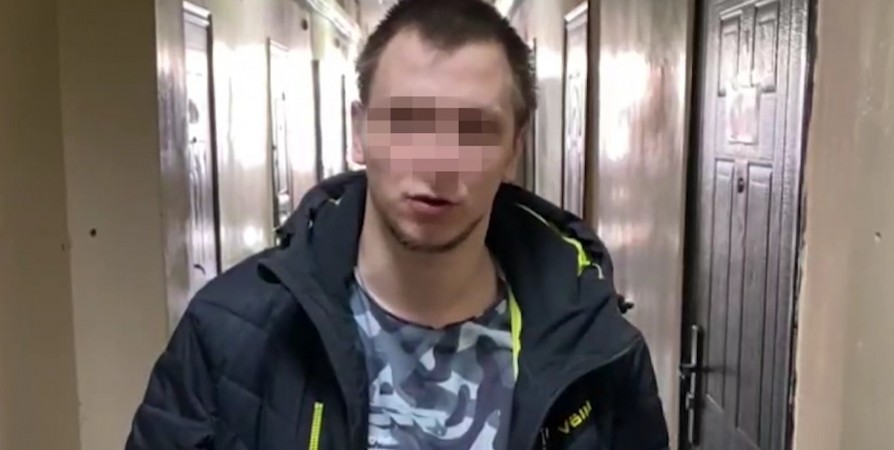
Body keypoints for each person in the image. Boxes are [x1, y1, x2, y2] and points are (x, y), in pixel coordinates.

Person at [125, 0, 669, 448]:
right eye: (407, 120)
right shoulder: (227, 337)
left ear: (513, 151)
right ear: (359, 132)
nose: (437, 162)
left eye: (474, 129)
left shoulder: (599, 356)